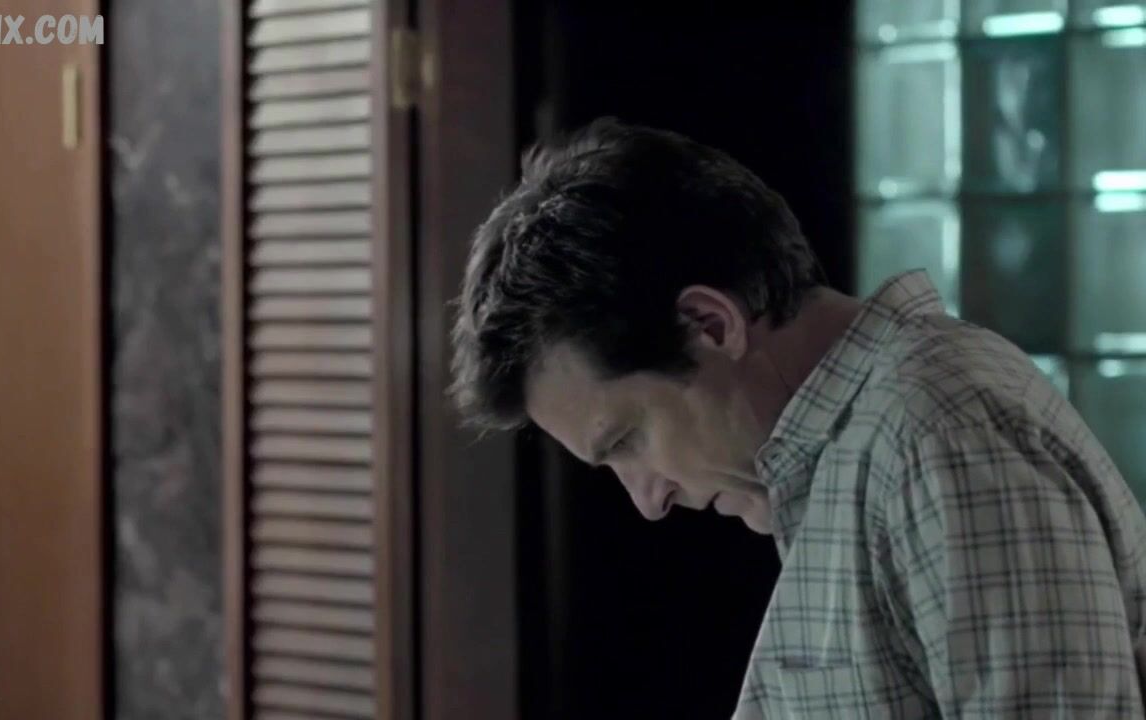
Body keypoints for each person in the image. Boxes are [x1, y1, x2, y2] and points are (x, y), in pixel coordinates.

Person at [448, 117, 1146, 718]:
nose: (650, 500)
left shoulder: (937, 430)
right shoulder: (857, 454)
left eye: (628, 439)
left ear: (709, 324)